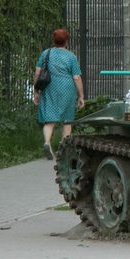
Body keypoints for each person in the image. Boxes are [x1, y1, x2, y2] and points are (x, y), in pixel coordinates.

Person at [32, 28, 85, 160]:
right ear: (66, 41)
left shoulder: (46, 54)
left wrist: (36, 91)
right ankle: (64, 149)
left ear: (53, 40)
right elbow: (77, 77)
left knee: (50, 119)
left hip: (50, 87)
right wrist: (81, 96)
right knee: (67, 120)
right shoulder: (71, 57)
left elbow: (38, 73)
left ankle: (47, 143)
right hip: (67, 89)